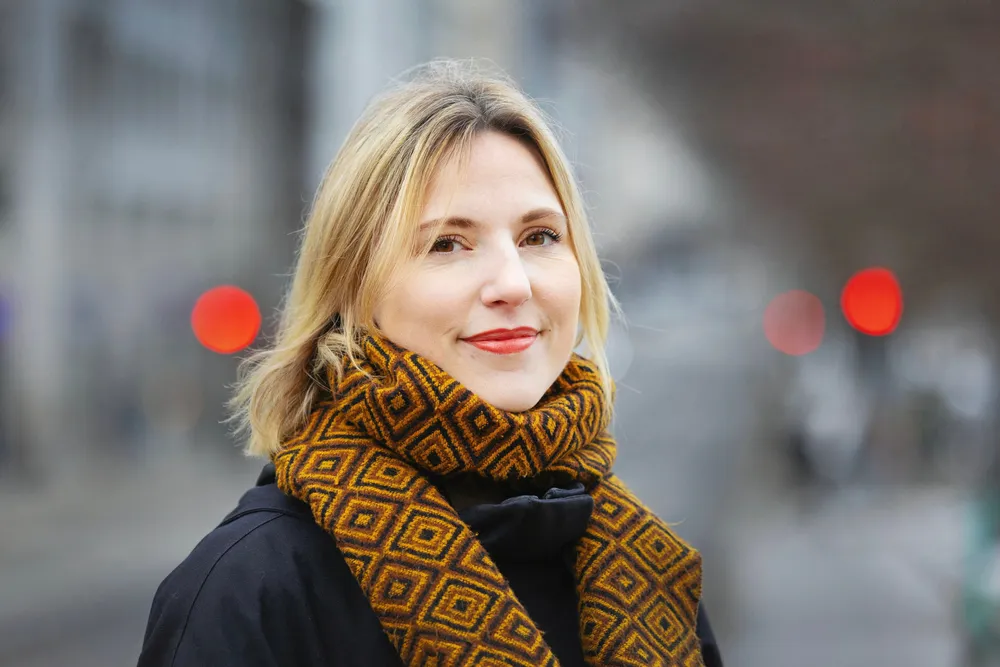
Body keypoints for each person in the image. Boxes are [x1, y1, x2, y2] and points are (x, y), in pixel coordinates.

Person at [137, 60, 724, 667]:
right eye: (447, 244)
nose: (513, 284)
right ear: (355, 290)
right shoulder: (251, 590)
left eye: (540, 237)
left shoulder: (649, 572)